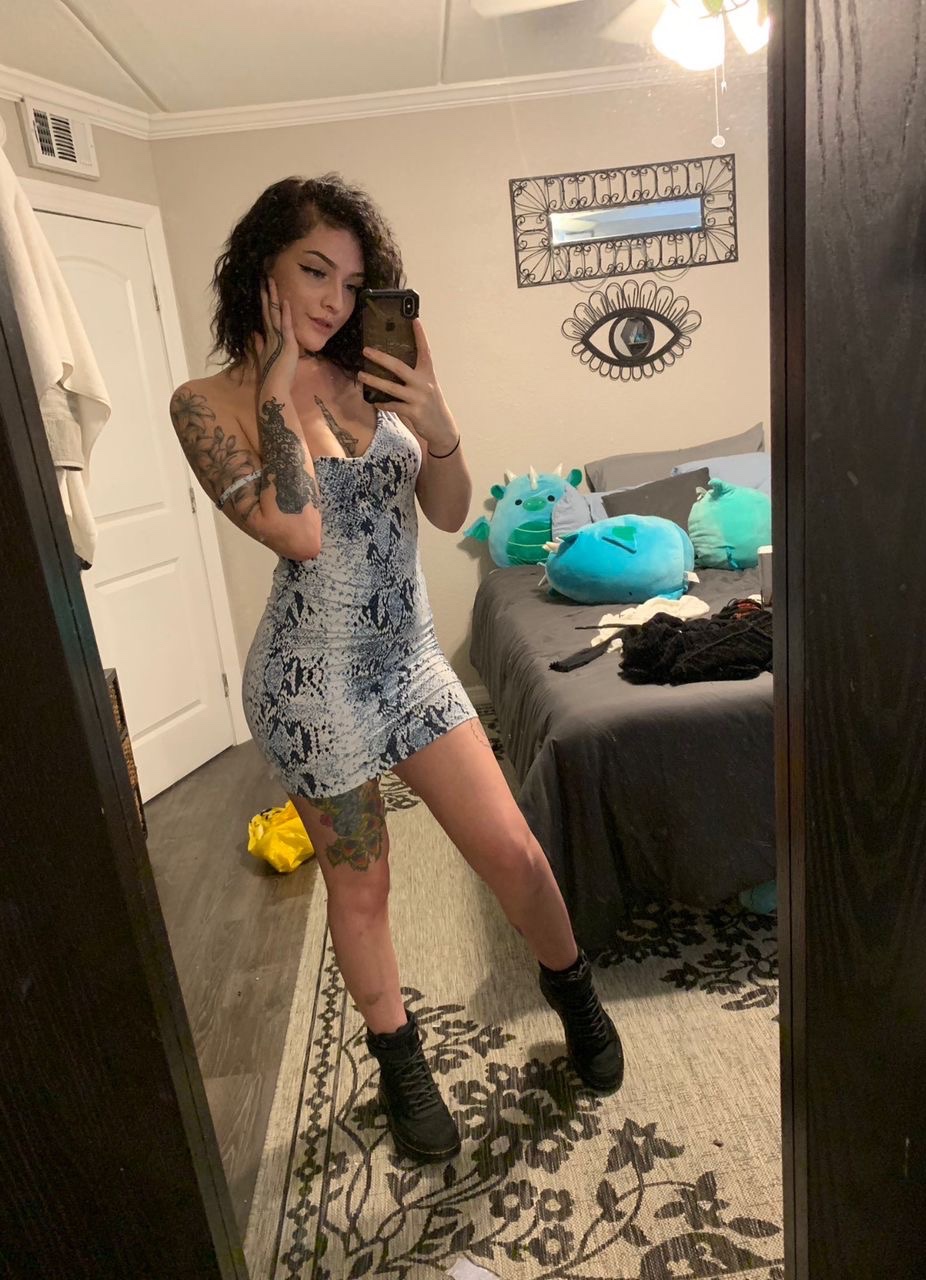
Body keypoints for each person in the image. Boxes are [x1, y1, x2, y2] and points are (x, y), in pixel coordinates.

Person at [169, 174, 623, 1163]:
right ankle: (399, 1060)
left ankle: (574, 993)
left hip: (409, 659)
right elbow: (298, 533)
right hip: (311, 683)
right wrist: (278, 386)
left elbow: (450, 510)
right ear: (260, 271)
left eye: (352, 280)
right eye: (313, 272)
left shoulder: (379, 363)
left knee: (514, 850)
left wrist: (440, 418)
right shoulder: (206, 405)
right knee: (364, 886)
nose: (335, 301)